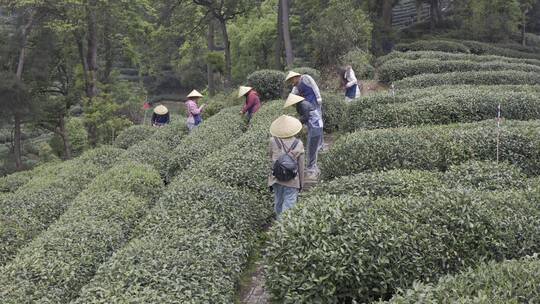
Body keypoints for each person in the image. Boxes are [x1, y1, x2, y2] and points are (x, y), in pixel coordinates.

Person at [268, 115, 305, 219]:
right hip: (292, 180)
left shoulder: (272, 141)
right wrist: (301, 183)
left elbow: (270, 157)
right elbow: (301, 166)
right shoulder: (299, 144)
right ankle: (283, 229)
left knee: (278, 202)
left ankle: (277, 226)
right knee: (289, 204)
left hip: (276, 178)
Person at [283, 93, 323, 178]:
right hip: (316, 126)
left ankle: (311, 170)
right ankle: (312, 168)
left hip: (315, 127)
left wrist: (295, 122)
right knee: (313, 148)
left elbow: (305, 117)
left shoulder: (303, 105)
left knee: (311, 148)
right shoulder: (303, 103)